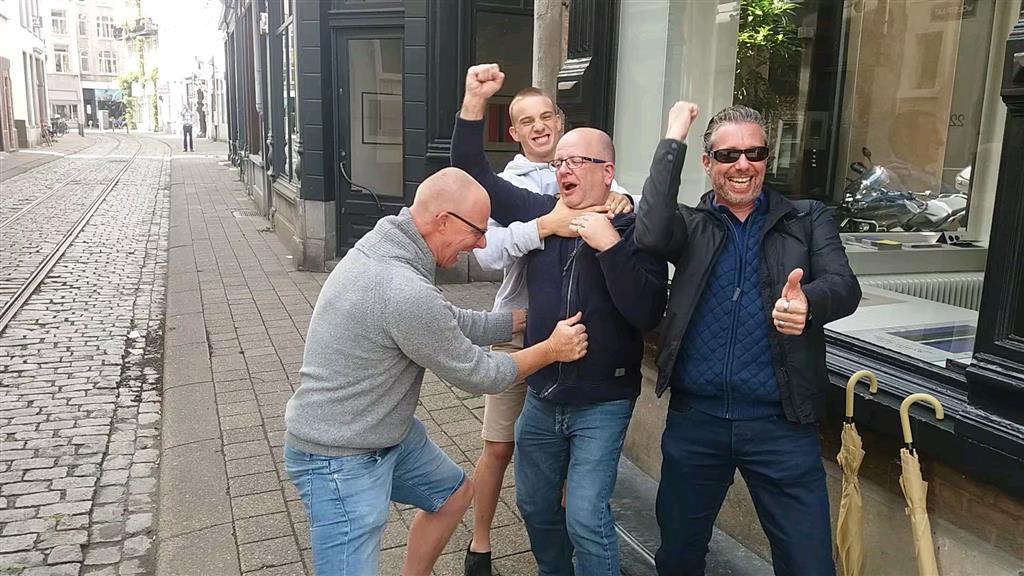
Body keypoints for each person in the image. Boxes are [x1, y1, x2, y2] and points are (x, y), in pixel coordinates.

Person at [283, 167, 590, 576]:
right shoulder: (399, 285)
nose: (482, 243)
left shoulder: (390, 246)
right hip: (338, 455)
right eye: (477, 231)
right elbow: (480, 374)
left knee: (452, 495)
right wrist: (551, 349)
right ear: (442, 220)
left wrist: (520, 321)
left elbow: (445, 320)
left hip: (385, 432)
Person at [452, 63, 668, 576]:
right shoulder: (543, 211)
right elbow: (473, 173)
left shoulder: (634, 228)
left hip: (602, 401)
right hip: (543, 396)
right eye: (560, 161)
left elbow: (647, 312)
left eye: (577, 161)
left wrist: (610, 245)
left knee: (586, 517)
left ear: (607, 172)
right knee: (534, 505)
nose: (562, 169)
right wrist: (474, 102)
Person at [634, 101, 861, 576]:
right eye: (727, 155)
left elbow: (844, 286)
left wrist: (809, 303)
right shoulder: (690, 225)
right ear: (707, 162)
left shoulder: (806, 219)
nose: (742, 164)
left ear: (766, 159)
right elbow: (650, 233)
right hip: (697, 422)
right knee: (677, 557)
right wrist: (674, 136)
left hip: (782, 425)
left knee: (809, 565)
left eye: (754, 153)